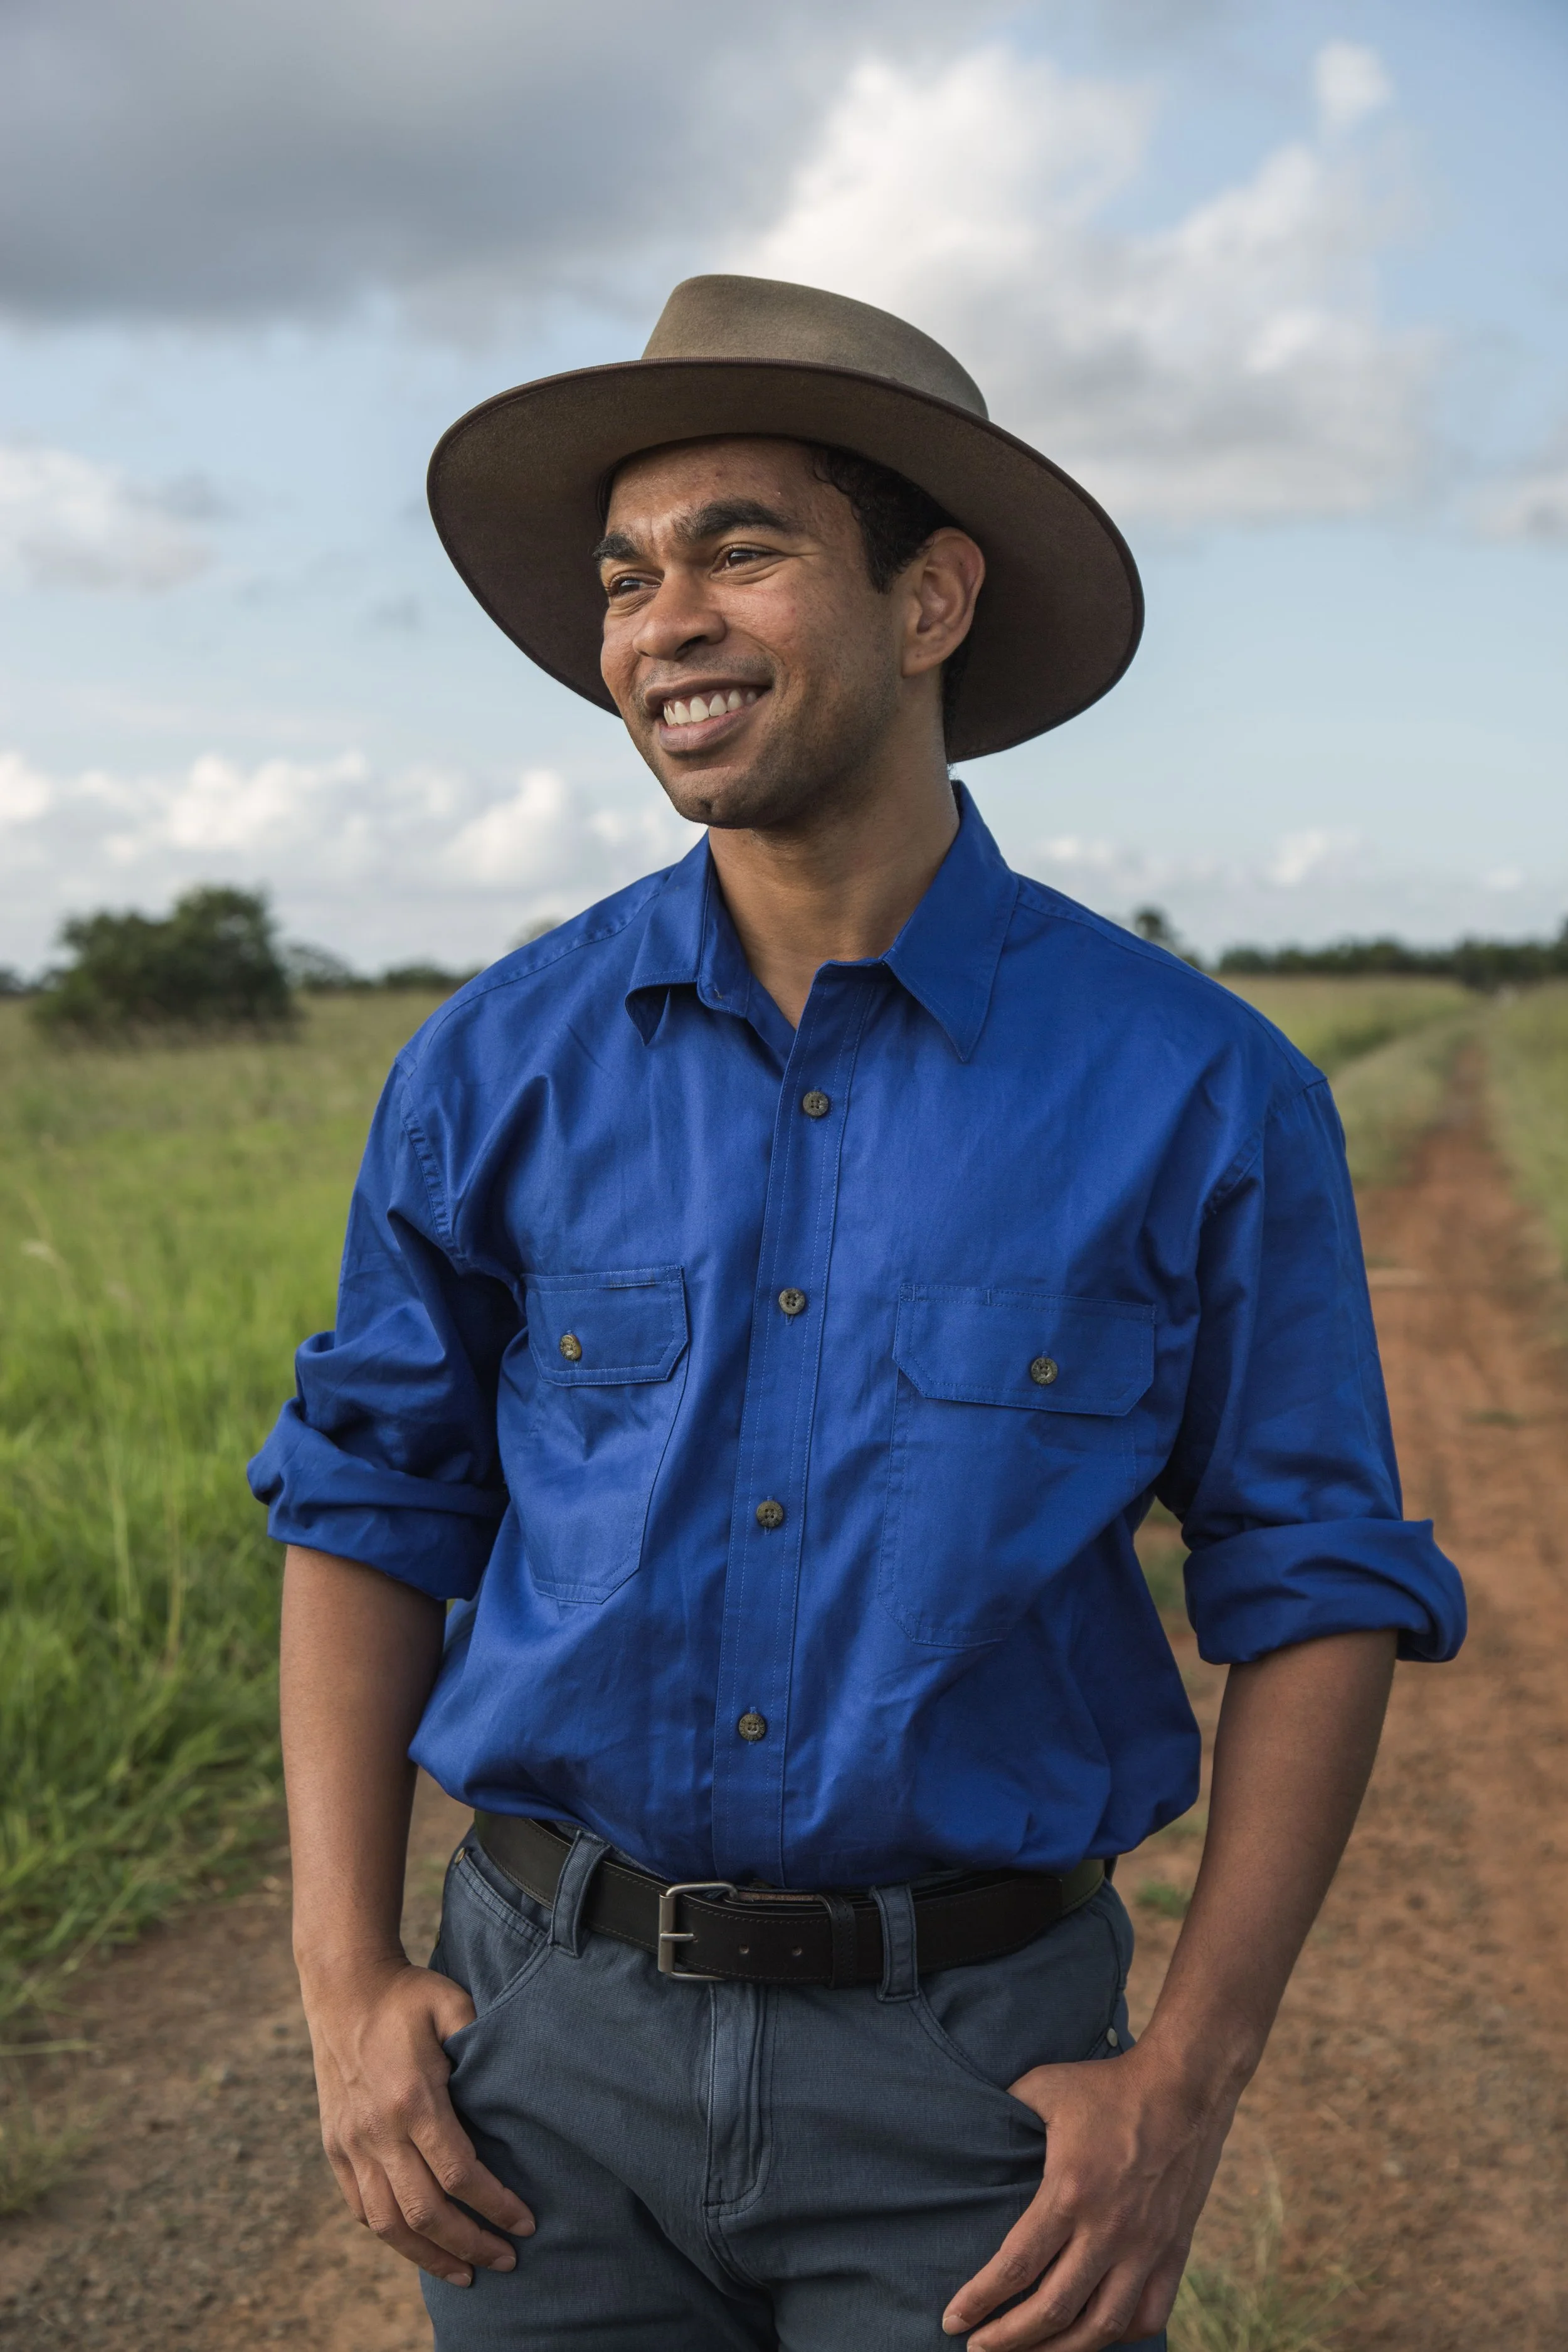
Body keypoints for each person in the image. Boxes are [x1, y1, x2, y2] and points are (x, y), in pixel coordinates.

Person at [252, 276, 1465, 2352]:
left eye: (740, 547)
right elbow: (372, 1502)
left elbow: (1318, 1578)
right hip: (544, 2072)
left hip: (969, 2097)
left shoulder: (1192, 1085)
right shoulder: (495, 1063)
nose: (660, 621)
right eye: (627, 574)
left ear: (931, 600)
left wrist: (1182, 2088)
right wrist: (348, 1985)